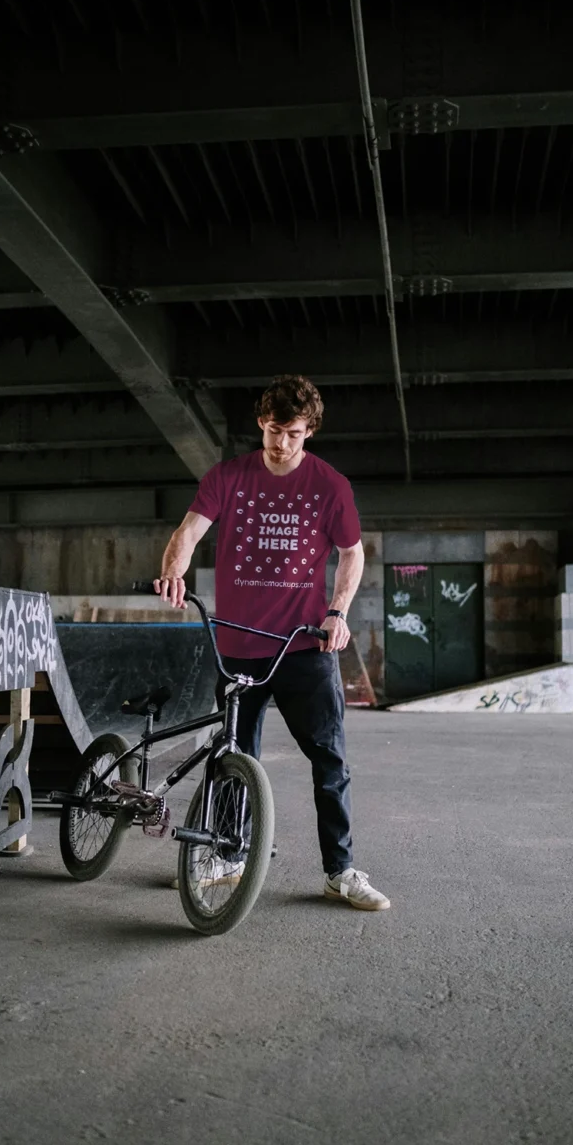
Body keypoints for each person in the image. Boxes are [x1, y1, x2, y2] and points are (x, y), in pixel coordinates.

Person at [154, 374, 389, 912]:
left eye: (293, 433)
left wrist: (337, 613)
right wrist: (173, 571)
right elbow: (188, 531)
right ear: (262, 424)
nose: (282, 443)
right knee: (234, 757)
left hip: (305, 648)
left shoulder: (330, 486)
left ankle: (340, 871)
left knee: (329, 760)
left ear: (309, 432)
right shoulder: (228, 477)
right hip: (237, 646)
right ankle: (230, 856)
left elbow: (352, 555)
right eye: (274, 430)